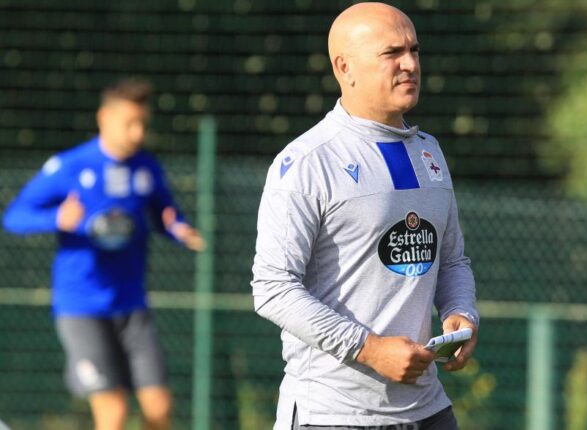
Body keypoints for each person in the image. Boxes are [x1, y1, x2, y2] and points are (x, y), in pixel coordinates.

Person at [250, 2, 479, 429]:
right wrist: (370, 349)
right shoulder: (307, 162)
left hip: (427, 409)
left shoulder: (429, 150)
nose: (410, 64)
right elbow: (273, 288)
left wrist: (462, 313)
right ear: (345, 67)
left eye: (414, 50)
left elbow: (451, 262)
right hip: (333, 414)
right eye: (392, 53)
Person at [3, 78, 204, 430]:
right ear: (104, 118)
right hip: (81, 307)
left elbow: (165, 213)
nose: (138, 132)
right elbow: (15, 216)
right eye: (129, 123)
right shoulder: (71, 166)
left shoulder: (146, 168)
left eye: (143, 123)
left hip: (131, 304)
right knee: (113, 412)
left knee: (158, 406)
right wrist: (57, 219)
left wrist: (177, 228)